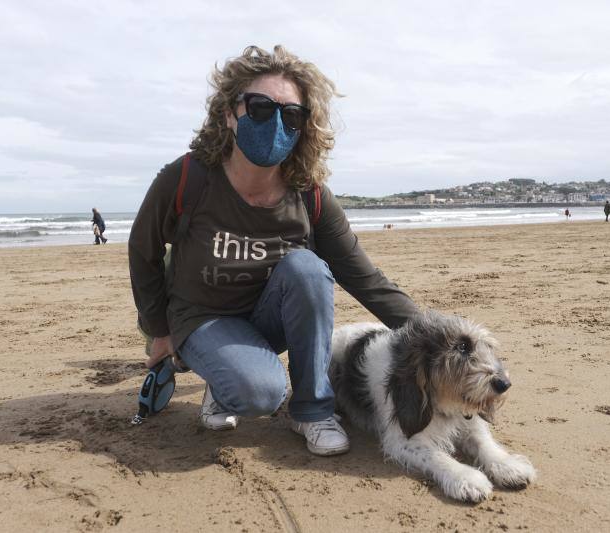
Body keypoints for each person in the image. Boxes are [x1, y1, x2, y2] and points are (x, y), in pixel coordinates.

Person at [128, 45, 420, 457]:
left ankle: (311, 411)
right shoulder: (187, 178)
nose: (276, 122)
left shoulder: (310, 195)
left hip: (268, 318)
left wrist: (435, 333)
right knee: (260, 393)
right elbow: (144, 252)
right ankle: (223, 376)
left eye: (291, 114)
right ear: (230, 113)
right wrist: (159, 329)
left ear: (303, 125)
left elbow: (363, 277)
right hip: (202, 318)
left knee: (307, 268)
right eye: (260, 107)